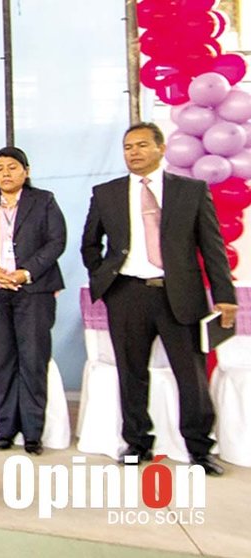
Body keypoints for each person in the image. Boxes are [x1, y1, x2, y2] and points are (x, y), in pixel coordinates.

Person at [82, 122, 238, 476]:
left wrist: (224, 295)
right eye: (127, 147)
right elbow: (89, 244)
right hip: (127, 294)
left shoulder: (190, 191)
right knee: (131, 374)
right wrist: (104, 280)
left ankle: (200, 449)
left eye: (140, 145)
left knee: (191, 376)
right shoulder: (107, 193)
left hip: (179, 294)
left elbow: (211, 247)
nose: (133, 152)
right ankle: (137, 443)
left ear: (161, 148)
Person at [0, 147, 66, 455]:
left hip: (33, 290)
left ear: (26, 171)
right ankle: (6, 429)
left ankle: (33, 433)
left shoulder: (43, 201)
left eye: (12, 167)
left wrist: (26, 272)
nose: (6, 173)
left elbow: (56, 240)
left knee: (33, 361)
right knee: (1, 362)